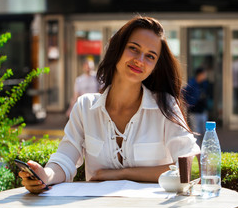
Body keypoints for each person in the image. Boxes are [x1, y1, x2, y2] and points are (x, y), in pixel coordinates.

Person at [19, 16, 200, 193]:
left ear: (155, 67)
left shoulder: (164, 106)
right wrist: (45, 175)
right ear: (117, 49)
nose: (140, 60)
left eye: (150, 56)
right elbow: (65, 158)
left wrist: (120, 174)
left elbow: (190, 166)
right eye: (133, 48)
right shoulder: (85, 107)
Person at [183, 67, 209, 135]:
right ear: (199, 74)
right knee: (196, 132)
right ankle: (196, 145)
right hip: (194, 111)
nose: (205, 76)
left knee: (205, 131)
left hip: (202, 110)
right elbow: (183, 92)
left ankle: (203, 145)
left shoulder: (204, 84)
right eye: (204, 74)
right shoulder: (191, 83)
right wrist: (187, 103)